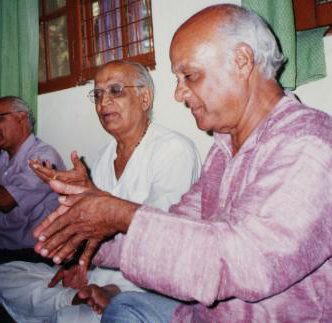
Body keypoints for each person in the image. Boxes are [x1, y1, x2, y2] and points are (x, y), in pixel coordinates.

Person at [32, 4, 332, 322]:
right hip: (203, 315)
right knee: (124, 309)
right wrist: (89, 232)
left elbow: (247, 263)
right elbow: (176, 227)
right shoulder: (223, 149)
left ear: (242, 61)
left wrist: (116, 213)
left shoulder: (308, 143)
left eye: (189, 75)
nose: (178, 93)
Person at [0, 61, 201, 322]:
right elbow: (90, 232)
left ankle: (81, 304)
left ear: (145, 98)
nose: (103, 102)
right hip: (97, 275)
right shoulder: (104, 156)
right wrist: (78, 266)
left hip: (143, 288)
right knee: (9, 274)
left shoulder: (174, 150)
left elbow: (161, 241)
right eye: (97, 94)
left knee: (78, 317)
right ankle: (74, 299)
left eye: (115, 90)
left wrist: (114, 290)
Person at [0, 96, 65, 263]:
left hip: (33, 253)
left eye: (0, 118)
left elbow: (5, 201)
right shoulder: (3, 157)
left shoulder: (43, 157)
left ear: (21, 118)